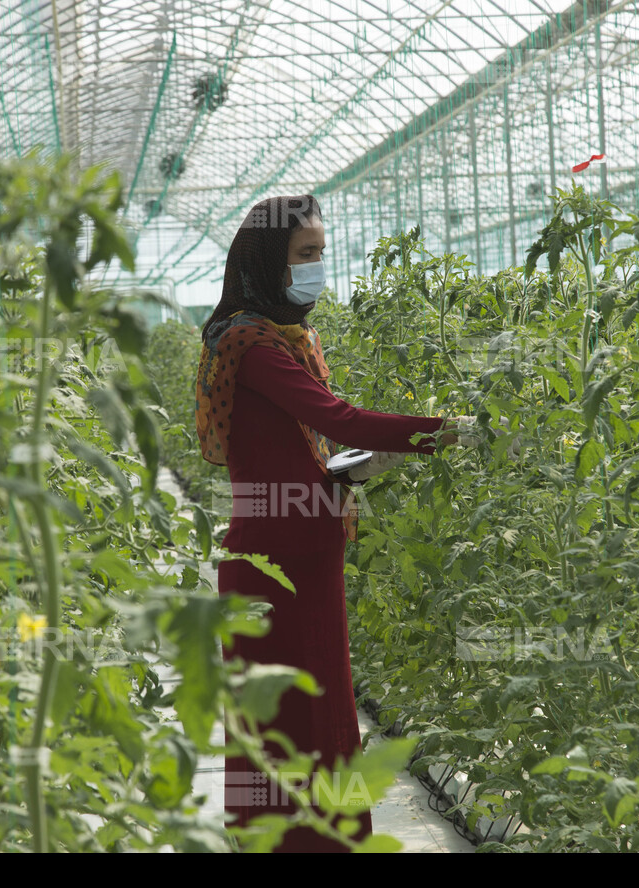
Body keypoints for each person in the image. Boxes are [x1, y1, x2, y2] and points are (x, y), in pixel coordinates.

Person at [194, 194, 477, 852]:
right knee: (289, 724)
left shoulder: (283, 338)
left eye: (321, 253)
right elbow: (339, 421)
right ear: (267, 261)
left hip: (306, 548)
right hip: (275, 565)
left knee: (322, 716)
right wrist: (450, 432)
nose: (316, 267)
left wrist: (343, 475)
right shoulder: (251, 343)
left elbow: (299, 451)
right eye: (305, 255)